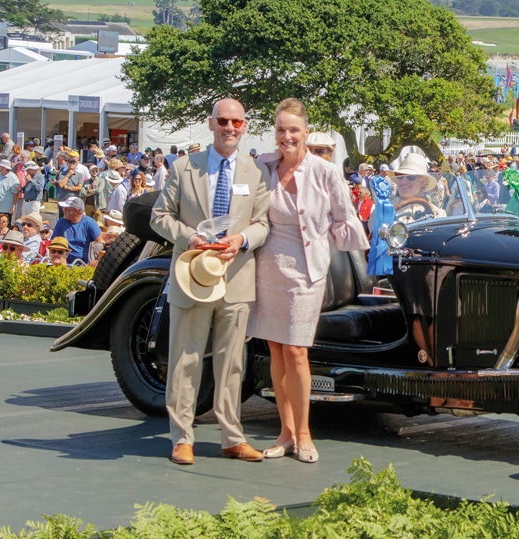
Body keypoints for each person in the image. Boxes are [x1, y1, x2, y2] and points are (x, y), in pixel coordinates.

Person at [150, 97, 272, 466]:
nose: (229, 128)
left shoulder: (257, 172)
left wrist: (242, 240)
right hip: (193, 276)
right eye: (223, 121)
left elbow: (263, 224)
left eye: (236, 122)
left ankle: (232, 438)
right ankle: (181, 438)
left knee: (232, 364)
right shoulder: (184, 167)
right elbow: (159, 216)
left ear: (245, 126)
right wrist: (189, 237)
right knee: (185, 361)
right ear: (210, 123)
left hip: (236, 279)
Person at [250, 98, 368, 464]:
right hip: (268, 268)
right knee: (276, 350)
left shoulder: (325, 171)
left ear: (306, 132)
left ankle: (304, 434)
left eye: (294, 130)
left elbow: (346, 220)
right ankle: (285, 432)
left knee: (297, 352)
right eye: (281, 130)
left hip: (306, 274)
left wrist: (324, 240)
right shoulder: (263, 166)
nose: (287, 136)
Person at [51, 197, 101, 265]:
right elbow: (53, 242)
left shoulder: (89, 223)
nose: (63, 210)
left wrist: (97, 259)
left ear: (75, 210)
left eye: (66, 208)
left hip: (83, 263)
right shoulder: (61, 222)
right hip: (62, 261)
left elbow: (100, 242)